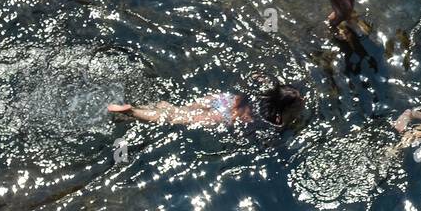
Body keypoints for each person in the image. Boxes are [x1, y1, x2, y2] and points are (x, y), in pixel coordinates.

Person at [108, 82, 304, 130]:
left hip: (226, 99)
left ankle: (138, 107)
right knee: (178, 118)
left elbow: (256, 76)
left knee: (180, 109)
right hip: (229, 115)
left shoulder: (264, 91)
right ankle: (132, 111)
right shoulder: (275, 119)